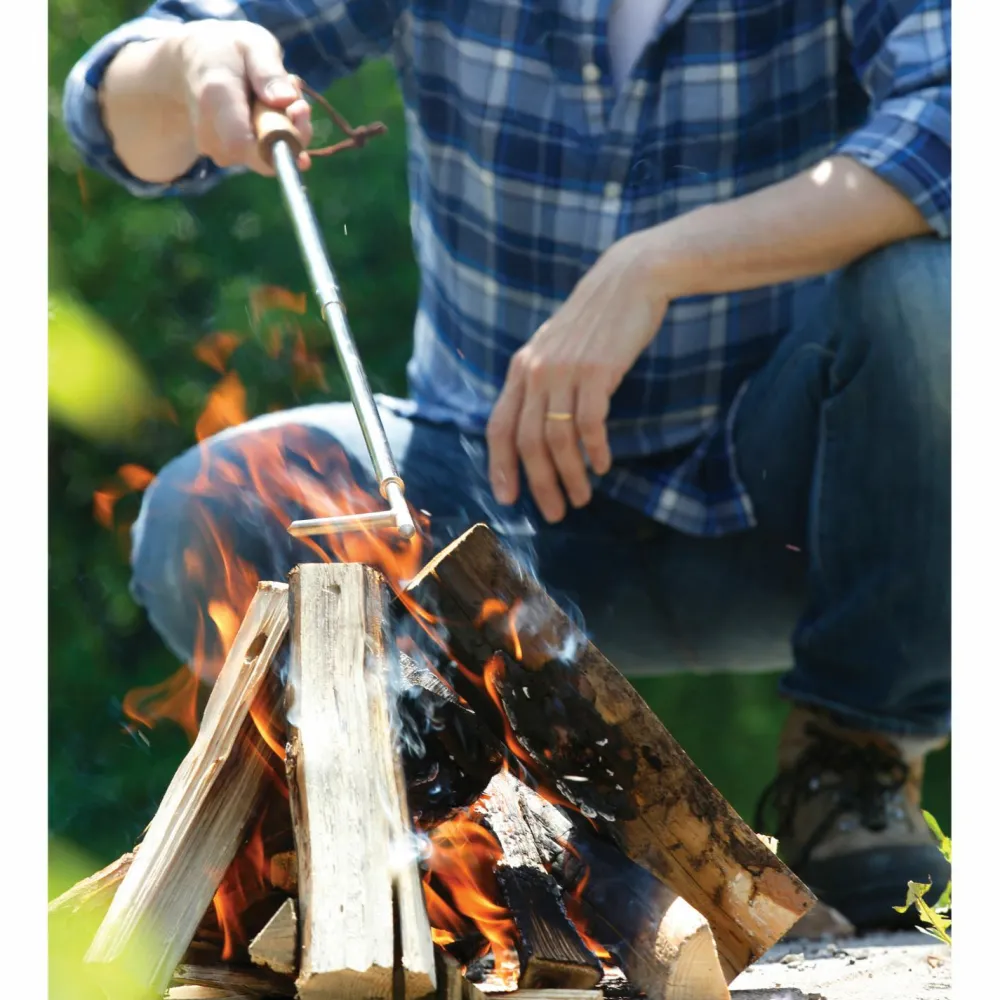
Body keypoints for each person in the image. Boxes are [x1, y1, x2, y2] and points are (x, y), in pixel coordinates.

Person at [63, 0, 951, 927]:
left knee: (939, 294)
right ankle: (482, 832)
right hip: (484, 529)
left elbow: (959, 122)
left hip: (800, 523)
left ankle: (853, 775)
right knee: (202, 515)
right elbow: (110, 110)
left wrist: (656, 265)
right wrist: (192, 59)